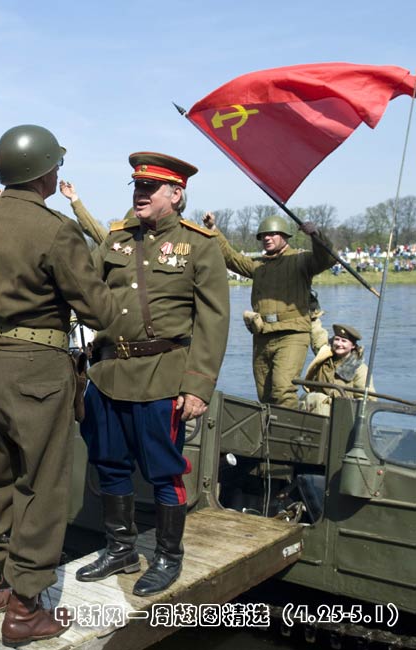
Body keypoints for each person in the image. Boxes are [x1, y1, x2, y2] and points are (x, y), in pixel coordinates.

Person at [0, 124, 117, 645]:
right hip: (37, 368)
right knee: (41, 487)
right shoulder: (56, 230)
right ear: (45, 172)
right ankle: (24, 609)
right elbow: (100, 312)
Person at [78, 153, 230, 597]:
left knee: (165, 472)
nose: (140, 194)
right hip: (108, 373)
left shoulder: (199, 244)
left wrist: (198, 386)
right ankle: (120, 549)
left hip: (162, 376)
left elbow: (213, 320)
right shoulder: (116, 239)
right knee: (109, 463)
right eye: (137, 186)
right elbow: (82, 284)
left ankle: (168, 556)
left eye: (150, 187)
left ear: (176, 194)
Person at [203, 212, 334, 408]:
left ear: (285, 236)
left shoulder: (301, 260)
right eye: (263, 235)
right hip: (262, 335)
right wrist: (213, 229)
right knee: (264, 395)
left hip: (292, 334)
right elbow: (231, 258)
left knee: (283, 390)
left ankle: (286, 427)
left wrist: (316, 235)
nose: (267, 238)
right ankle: (269, 428)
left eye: (272, 234)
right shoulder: (259, 265)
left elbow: (327, 258)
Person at [302, 323, 375, 414]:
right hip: (317, 407)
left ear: (352, 346)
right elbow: (317, 334)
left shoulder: (359, 368)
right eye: (337, 339)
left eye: (344, 341)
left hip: (341, 413)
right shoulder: (324, 356)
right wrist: (312, 318)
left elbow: (367, 398)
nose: (339, 344)